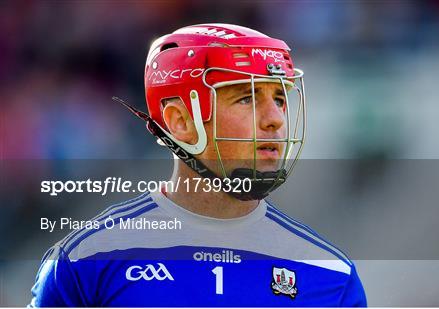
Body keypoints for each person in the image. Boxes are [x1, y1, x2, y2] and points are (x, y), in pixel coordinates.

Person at [30, 23, 367, 307]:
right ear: (180, 121)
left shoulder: (332, 276)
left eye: (279, 99)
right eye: (247, 98)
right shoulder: (87, 261)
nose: (276, 120)